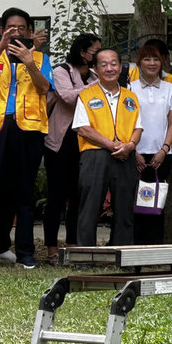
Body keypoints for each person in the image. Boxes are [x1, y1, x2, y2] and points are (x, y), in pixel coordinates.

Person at [0, 7, 54, 269]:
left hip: (27, 130)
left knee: (24, 193)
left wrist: (29, 62)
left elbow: (44, 89)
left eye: (21, 29)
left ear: (30, 32)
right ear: (2, 30)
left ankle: (26, 253)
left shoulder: (40, 58)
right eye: (11, 28)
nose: (17, 32)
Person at [72, 49, 143, 247]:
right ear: (95, 69)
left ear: (120, 67)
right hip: (95, 155)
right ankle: (85, 256)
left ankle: (122, 253)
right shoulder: (86, 95)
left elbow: (138, 127)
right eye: (104, 64)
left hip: (125, 156)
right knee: (90, 207)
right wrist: (111, 145)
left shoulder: (131, 97)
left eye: (114, 64)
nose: (110, 68)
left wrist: (130, 145)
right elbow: (83, 128)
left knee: (124, 208)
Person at [42, 34, 100, 263]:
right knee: (56, 196)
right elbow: (67, 97)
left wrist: (97, 84)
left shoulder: (94, 76)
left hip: (86, 141)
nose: (98, 55)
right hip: (60, 141)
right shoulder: (61, 71)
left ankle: (73, 245)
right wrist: (98, 87)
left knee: (79, 195)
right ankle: (51, 249)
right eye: (95, 51)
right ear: (83, 52)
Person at [130, 42, 172, 244]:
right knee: (135, 202)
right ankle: (133, 249)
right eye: (146, 59)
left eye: (156, 59)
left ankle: (153, 248)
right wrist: (133, 150)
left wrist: (164, 149)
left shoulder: (170, 88)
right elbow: (126, 123)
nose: (152, 63)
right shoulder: (129, 87)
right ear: (139, 62)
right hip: (134, 153)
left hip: (161, 156)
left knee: (156, 203)